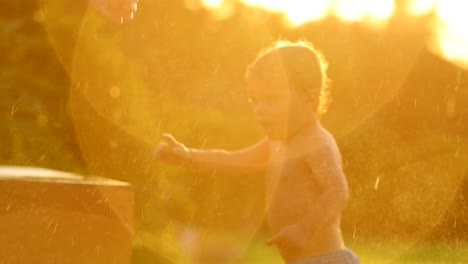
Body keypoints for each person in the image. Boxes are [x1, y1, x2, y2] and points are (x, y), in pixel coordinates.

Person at [153, 40, 359, 264]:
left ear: (310, 99)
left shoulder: (316, 142)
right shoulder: (276, 143)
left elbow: (337, 191)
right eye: (255, 100)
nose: (260, 109)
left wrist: (303, 229)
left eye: (272, 99)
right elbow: (234, 161)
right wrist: (188, 155)